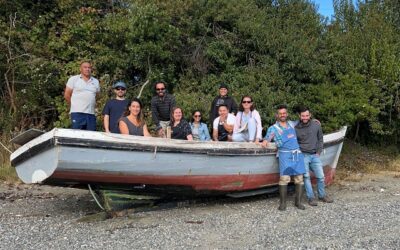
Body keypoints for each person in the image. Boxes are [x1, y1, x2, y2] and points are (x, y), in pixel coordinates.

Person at [261, 104, 306, 211]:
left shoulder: (292, 124)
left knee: (299, 178)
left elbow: (304, 120)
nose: (282, 115)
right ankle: (283, 203)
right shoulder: (273, 128)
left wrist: (315, 121)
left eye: (284, 113)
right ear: (277, 115)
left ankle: (298, 202)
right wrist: (265, 141)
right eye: (280, 113)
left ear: (287, 114)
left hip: (296, 154)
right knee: (284, 179)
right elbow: (267, 138)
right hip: (284, 154)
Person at [295, 105, 333, 206]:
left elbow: (320, 139)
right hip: (303, 155)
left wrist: (318, 152)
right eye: (303, 116)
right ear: (299, 116)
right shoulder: (296, 128)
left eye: (307, 115)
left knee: (321, 177)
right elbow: (293, 142)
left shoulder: (316, 125)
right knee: (306, 177)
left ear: (310, 115)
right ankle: (311, 198)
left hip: (314, 155)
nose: (305, 118)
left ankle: (322, 195)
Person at [64, 61, 100, 131]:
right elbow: (67, 95)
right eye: (85, 67)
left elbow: (97, 96)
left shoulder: (96, 81)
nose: (87, 69)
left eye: (89, 67)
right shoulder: (74, 79)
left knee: (91, 136)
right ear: (80, 69)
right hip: (77, 113)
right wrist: (73, 105)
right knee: (77, 135)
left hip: (91, 114)